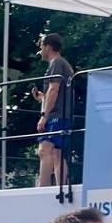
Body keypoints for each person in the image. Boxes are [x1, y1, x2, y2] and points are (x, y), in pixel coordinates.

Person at [33, 33, 76, 188]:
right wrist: (42, 99)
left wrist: (44, 116)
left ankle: (41, 190)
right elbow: (57, 92)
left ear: (48, 47)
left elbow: (54, 89)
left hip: (55, 115)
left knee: (44, 150)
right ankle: (61, 189)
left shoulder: (56, 63)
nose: (40, 51)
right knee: (57, 153)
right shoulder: (65, 64)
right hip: (64, 114)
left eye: (42, 47)